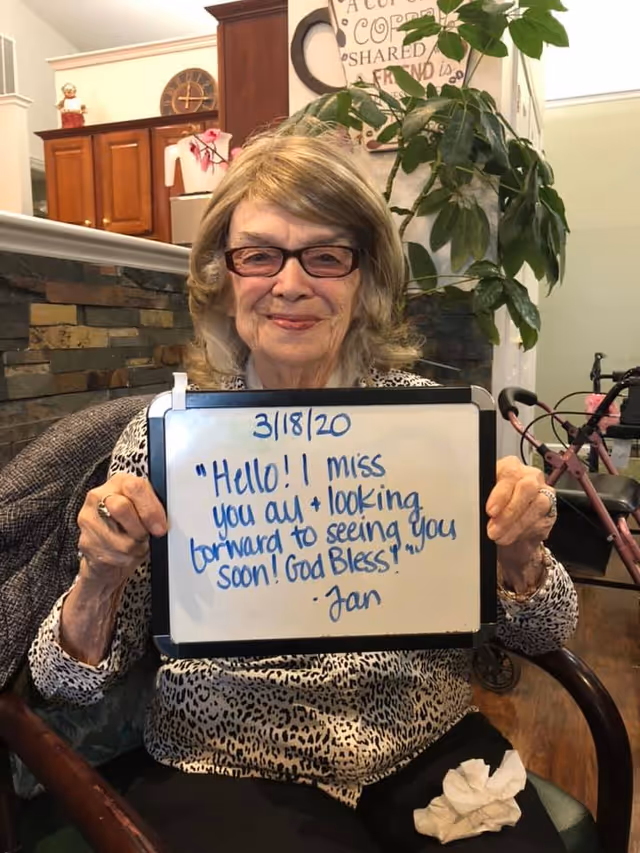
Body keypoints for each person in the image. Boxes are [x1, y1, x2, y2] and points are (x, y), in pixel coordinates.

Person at [29, 129, 578, 853]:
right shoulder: (167, 441)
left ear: (365, 276)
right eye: (259, 254)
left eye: (326, 255)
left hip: (422, 741)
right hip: (226, 759)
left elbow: (544, 632)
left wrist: (523, 560)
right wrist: (98, 579)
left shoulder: (435, 429)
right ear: (224, 276)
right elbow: (62, 683)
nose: (291, 283)